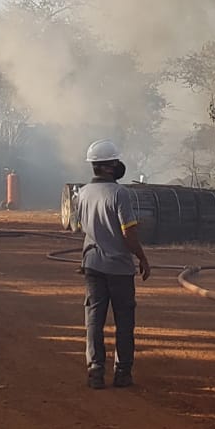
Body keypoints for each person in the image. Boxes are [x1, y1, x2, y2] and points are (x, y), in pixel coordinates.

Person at [77, 139, 150, 389]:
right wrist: (142, 257)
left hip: (92, 265)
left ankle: (95, 370)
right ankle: (122, 372)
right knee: (124, 319)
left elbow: (81, 227)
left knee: (94, 318)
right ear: (109, 166)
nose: (120, 165)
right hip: (119, 267)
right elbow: (129, 234)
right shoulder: (120, 194)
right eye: (116, 162)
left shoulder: (84, 192)